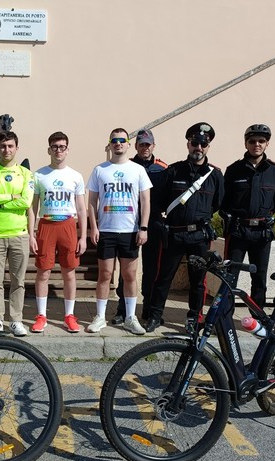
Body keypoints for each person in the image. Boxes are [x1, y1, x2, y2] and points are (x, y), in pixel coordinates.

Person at [145, 122, 224, 333]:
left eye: (203, 144)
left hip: (199, 236)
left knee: (198, 281)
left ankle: (193, 319)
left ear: (208, 147)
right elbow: (158, 201)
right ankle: (155, 316)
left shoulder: (215, 175)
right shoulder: (173, 171)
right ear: (188, 144)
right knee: (163, 278)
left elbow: (217, 203)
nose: (199, 148)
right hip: (175, 234)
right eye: (195, 143)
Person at [86, 127, 151, 335]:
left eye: (122, 140)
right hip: (106, 230)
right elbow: (92, 201)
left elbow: (145, 201)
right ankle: (100, 317)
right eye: (115, 141)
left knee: (129, 275)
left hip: (130, 230)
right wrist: (94, 227)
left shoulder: (137, 170)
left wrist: (143, 228)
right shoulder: (100, 170)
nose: (118, 144)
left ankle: (130, 317)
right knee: (104, 274)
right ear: (110, 144)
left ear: (128, 144)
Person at [28, 131, 87, 333]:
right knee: (43, 272)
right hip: (46, 224)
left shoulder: (75, 176)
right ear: (49, 150)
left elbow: (81, 209)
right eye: (54, 147)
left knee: (69, 272)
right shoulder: (39, 175)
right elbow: (32, 207)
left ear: (67, 150)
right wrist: (31, 234)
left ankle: (69, 315)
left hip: (67, 224)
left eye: (62, 147)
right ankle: (41, 316)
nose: (58, 150)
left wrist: (83, 236)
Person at [220, 124, 275, 309]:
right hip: (238, 231)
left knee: (259, 278)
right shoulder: (234, 170)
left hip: (262, 232)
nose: (257, 144)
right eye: (252, 141)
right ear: (246, 143)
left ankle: (258, 318)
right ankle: (224, 318)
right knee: (230, 276)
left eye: (261, 141)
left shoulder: (274, 170)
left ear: (267, 144)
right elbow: (223, 201)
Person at [0, 130, 34, 337]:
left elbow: (26, 201)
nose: (6, 150)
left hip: (19, 233)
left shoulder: (26, 174)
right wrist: (12, 196)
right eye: (3, 146)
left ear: (17, 148)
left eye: (10, 146)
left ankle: (16, 320)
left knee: (18, 281)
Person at [111, 128, 168, 325]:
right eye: (142, 144)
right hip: (130, 221)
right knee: (126, 269)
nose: (145, 148)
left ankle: (149, 309)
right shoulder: (128, 165)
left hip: (153, 222)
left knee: (152, 269)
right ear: (135, 146)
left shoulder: (162, 168)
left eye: (148, 144)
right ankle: (122, 309)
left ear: (153, 146)